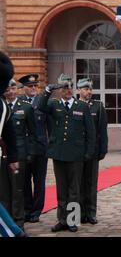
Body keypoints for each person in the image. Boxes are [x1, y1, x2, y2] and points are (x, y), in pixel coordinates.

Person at [37, 74, 96, 233]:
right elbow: (40, 106)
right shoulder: (54, 104)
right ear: (60, 90)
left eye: (70, 87)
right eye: (65, 88)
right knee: (61, 189)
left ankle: (72, 220)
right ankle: (62, 220)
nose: (68, 90)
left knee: (74, 190)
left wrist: (89, 152)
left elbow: (90, 132)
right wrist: (47, 90)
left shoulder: (82, 106)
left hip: (76, 155)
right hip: (59, 154)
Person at [0, 79, 37, 230]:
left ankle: (18, 221)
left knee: (17, 189)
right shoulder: (1, 107)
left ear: (17, 89)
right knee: (3, 190)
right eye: (7, 89)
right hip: (2, 154)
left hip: (19, 154)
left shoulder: (26, 108)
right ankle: (7, 221)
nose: (10, 91)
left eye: (13, 88)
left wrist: (29, 154)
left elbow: (33, 133)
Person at [0, 51, 28, 237]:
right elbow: (9, 132)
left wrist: (13, 156)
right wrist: (12, 157)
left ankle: (14, 232)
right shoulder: (3, 104)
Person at [18, 74, 49, 223]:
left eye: (35, 86)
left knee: (39, 181)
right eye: (30, 86)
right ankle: (27, 209)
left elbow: (49, 124)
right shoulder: (19, 102)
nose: (33, 88)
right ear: (23, 88)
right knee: (24, 181)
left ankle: (37, 210)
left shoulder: (42, 101)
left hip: (40, 148)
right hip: (24, 148)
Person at [77, 78, 108, 225]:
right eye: (85, 89)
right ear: (79, 90)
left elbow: (102, 130)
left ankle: (91, 213)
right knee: (77, 184)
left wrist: (103, 149)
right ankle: (79, 213)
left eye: (90, 89)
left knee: (91, 183)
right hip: (77, 152)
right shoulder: (74, 106)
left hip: (93, 151)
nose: (88, 91)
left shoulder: (98, 106)